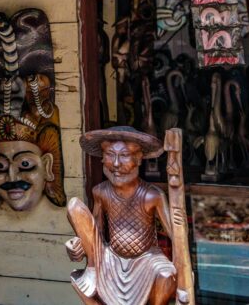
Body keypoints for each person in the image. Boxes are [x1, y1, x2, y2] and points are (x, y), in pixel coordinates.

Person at [65, 126, 181, 305]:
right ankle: (92, 270)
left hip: (147, 259)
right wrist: (79, 244)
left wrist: (181, 230)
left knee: (166, 276)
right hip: (111, 258)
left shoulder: (152, 196)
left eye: (124, 155)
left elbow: (176, 236)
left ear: (138, 159)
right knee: (74, 206)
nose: (116, 164)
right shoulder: (100, 192)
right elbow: (95, 233)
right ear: (103, 158)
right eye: (110, 155)